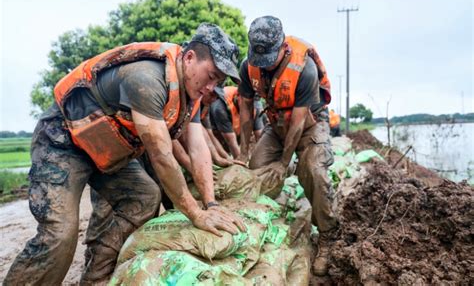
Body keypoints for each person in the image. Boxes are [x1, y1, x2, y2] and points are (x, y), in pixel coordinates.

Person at [4, 23, 246, 285]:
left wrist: (210, 204)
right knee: (60, 234)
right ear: (189, 58)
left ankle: (95, 277)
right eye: (211, 76)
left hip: (106, 150)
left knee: (144, 197)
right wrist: (196, 214)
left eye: (219, 82)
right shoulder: (146, 79)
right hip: (63, 141)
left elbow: (198, 148)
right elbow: (162, 157)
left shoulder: (192, 93)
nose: (213, 87)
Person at [237, 16, 338, 276]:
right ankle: (270, 214)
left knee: (314, 170)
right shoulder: (248, 67)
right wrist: (243, 152)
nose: (265, 65)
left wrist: (284, 162)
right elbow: (246, 108)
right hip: (276, 124)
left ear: (283, 47)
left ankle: (327, 235)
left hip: (309, 124)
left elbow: (298, 120)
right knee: (257, 168)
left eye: (270, 57)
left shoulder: (304, 68)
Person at [209, 85, 265, 158]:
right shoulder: (221, 106)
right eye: (247, 104)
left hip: (237, 132)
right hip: (218, 135)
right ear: (238, 96)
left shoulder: (256, 106)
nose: (249, 108)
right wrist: (241, 161)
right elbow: (231, 141)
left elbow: (260, 135)